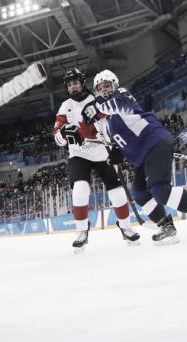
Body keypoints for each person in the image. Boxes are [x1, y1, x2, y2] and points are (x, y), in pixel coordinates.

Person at [83, 69, 187, 244]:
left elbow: (115, 106)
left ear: (115, 85)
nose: (104, 90)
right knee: (140, 193)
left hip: (154, 142)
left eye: (107, 85)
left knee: (160, 191)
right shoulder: (106, 122)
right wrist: (116, 153)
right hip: (142, 156)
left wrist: (95, 107)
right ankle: (166, 226)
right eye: (100, 88)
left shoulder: (122, 95)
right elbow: (120, 141)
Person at [52, 68, 140, 251]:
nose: (73, 87)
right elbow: (57, 138)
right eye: (69, 84)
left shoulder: (97, 99)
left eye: (75, 83)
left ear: (83, 83)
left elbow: (113, 121)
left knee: (117, 191)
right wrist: (63, 133)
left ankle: (126, 227)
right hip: (79, 154)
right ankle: (82, 231)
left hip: (102, 151)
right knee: (80, 189)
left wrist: (116, 145)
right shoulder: (65, 106)